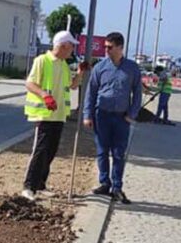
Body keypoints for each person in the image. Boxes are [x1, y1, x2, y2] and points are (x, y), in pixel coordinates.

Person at [81, 32, 143, 204]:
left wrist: (132, 115)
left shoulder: (132, 68)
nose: (106, 50)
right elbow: (91, 92)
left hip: (122, 118)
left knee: (118, 154)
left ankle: (117, 187)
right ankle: (104, 183)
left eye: (110, 47)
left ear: (120, 47)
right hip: (102, 115)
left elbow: (137, 93)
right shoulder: (100, 68)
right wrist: (87, 115)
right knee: (102, 151)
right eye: (105, 47)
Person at [21, 30, 82, 201]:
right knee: (40, 150)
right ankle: (29, 187)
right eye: (71, 47)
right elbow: (30, 83)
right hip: (44, 114)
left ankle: (40, 184)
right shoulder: (42, 61)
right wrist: (44, 95)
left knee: (51, 151)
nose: (72, 51)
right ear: (62, 46)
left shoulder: (63, 64)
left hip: (59, 115)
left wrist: (80, 73)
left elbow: (72, 85)